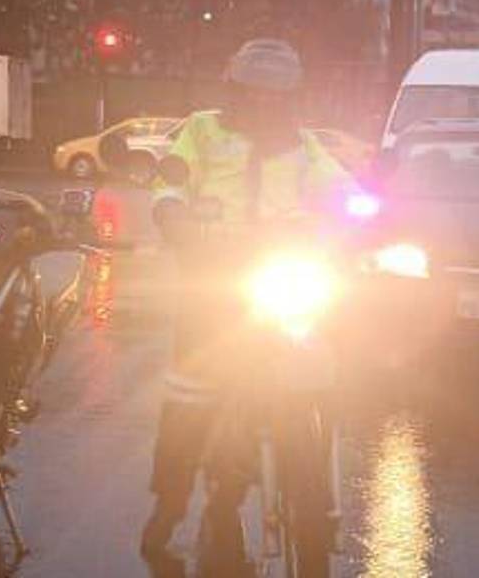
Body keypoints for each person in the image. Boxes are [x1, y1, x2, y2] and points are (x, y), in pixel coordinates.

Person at [140, 39, 352, 560]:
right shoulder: (202, 131)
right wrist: (173, 215)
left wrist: (369, 212)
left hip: (285, 273)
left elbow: (340, 187)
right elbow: (171, 180)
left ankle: (315, 483)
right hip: (215, 277)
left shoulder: (305, 148)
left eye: (275, 95)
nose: (263, 102)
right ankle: (170, 500)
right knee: (190, 394)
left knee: (325, 369)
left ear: (291, 99)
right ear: (234, 89)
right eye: (253, 92)